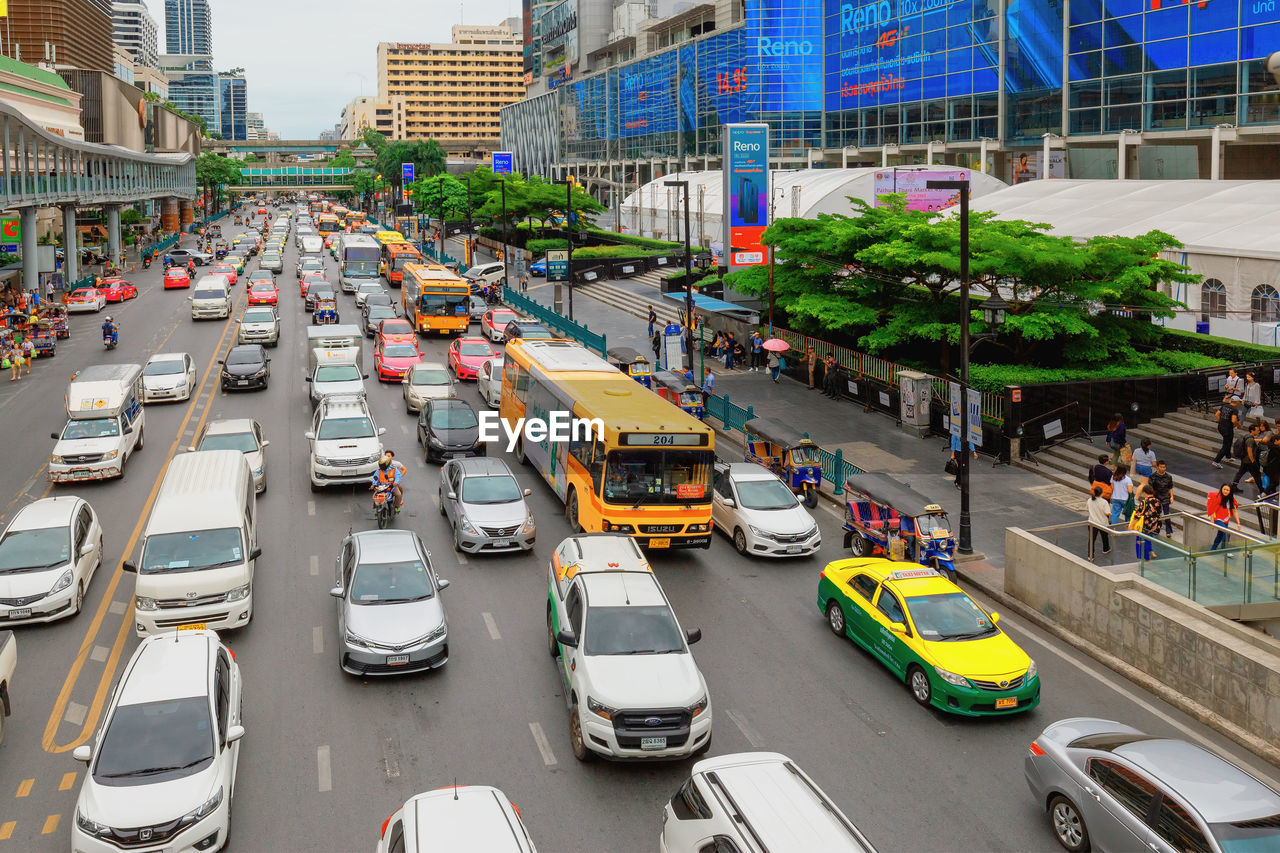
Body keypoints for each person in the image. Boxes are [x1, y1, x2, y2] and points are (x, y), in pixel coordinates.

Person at [1136, 459, 1175, 537]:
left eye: (1164, 467)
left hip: (1165, 497)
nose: (1162, 469)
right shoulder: (1153, 476)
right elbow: (1150, 488)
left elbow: (1170, 487)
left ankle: (1168, 531)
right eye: (1161, 467)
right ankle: (1156, 528)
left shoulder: (1168, 477)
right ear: (1157, 467)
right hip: (1156, 497)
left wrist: (1171, 496)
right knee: (1156, 514)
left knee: (1166, 514)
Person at [1233, 421, 1264, 494]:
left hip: (1244, 459)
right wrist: (1253, 461)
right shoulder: (1250, 440)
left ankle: (1234, 486)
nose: (1258, 431)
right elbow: (1249, 451)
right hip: (1249, 461)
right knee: (1257, 475)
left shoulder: (1246, 436)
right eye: (1257, 430)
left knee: (1240, 473)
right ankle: (1262, 490)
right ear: (1252, 431)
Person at [1207, 483, 1239, 554]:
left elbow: (1235, 511)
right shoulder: (1217, 497)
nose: (1225, 491)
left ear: (1230, 491)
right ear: (1221, 489)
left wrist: (1238, 523)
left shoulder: (1231, 499)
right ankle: (1224, 550)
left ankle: (1213, 549)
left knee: (1220, 534)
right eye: (1224, 489)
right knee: (1226, 533)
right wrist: (1212, 522)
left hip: (1225, 519)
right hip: (1217, 519)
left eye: (1227, 490)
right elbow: (1212, 509)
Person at [1213, 396, 1242, 468]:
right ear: (1237, 402)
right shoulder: (1235, 409)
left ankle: (1228, 457)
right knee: (1226, 444)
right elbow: (1234, 420)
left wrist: (1221, 421)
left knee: (1229, 441)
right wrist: (1239, 425)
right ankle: (1216, 461)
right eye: (1239, 401)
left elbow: (1216, 414)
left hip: (1221, 426)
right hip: (1227, 428)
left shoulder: (1225, 406)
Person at [1086, 485, 1112, 558]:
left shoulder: (1089, 500)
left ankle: (1090, 555)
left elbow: (1087, 509)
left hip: (1091, 522)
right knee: (1104, 537)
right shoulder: (1104, 502)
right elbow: (1107, 513)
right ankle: (1106, 549)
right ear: (1102, 493)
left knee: (1091, 539)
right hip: (1102, 523)